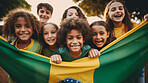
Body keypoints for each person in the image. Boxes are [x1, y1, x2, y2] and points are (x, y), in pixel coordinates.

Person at [2, 8, 42, 83]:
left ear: (33, 29)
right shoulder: (10, 47)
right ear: (12, 28)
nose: (23, 29)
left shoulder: (39, 45)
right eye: (18, 26)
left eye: (27, 26)